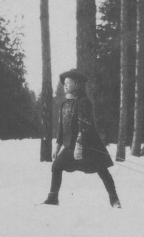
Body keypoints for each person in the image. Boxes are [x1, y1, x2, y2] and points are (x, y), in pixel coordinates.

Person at [42, 69, 121, 208]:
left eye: (68, 83)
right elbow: (62, 128)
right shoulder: (64, 104)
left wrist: (79, 145)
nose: (65, 86)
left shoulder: (83, 102)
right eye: (64, 83)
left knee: (102, 170)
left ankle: (114, 200)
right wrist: (58, 146)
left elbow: (84, 125)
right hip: (70, 147)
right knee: (56, 166)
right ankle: (53, 197)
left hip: (88, 146)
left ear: (77, 84)